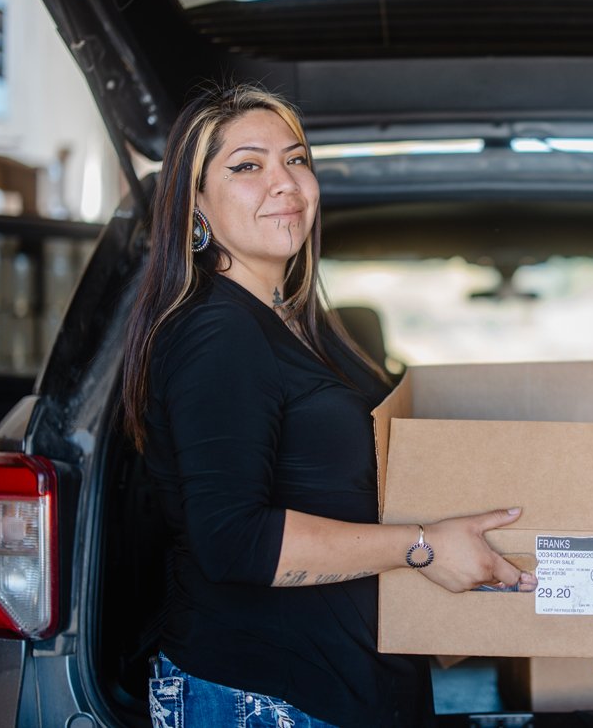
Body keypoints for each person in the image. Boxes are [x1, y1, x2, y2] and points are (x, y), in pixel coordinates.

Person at [120, 82, 537, 728]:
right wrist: (424, 546)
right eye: (247, 166)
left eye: (295, 158)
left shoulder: (296, 326)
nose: (284, 182)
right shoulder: (218, 333)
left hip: (338, 685)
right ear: (194, 203)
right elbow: (232, 540)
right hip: (263, 694)